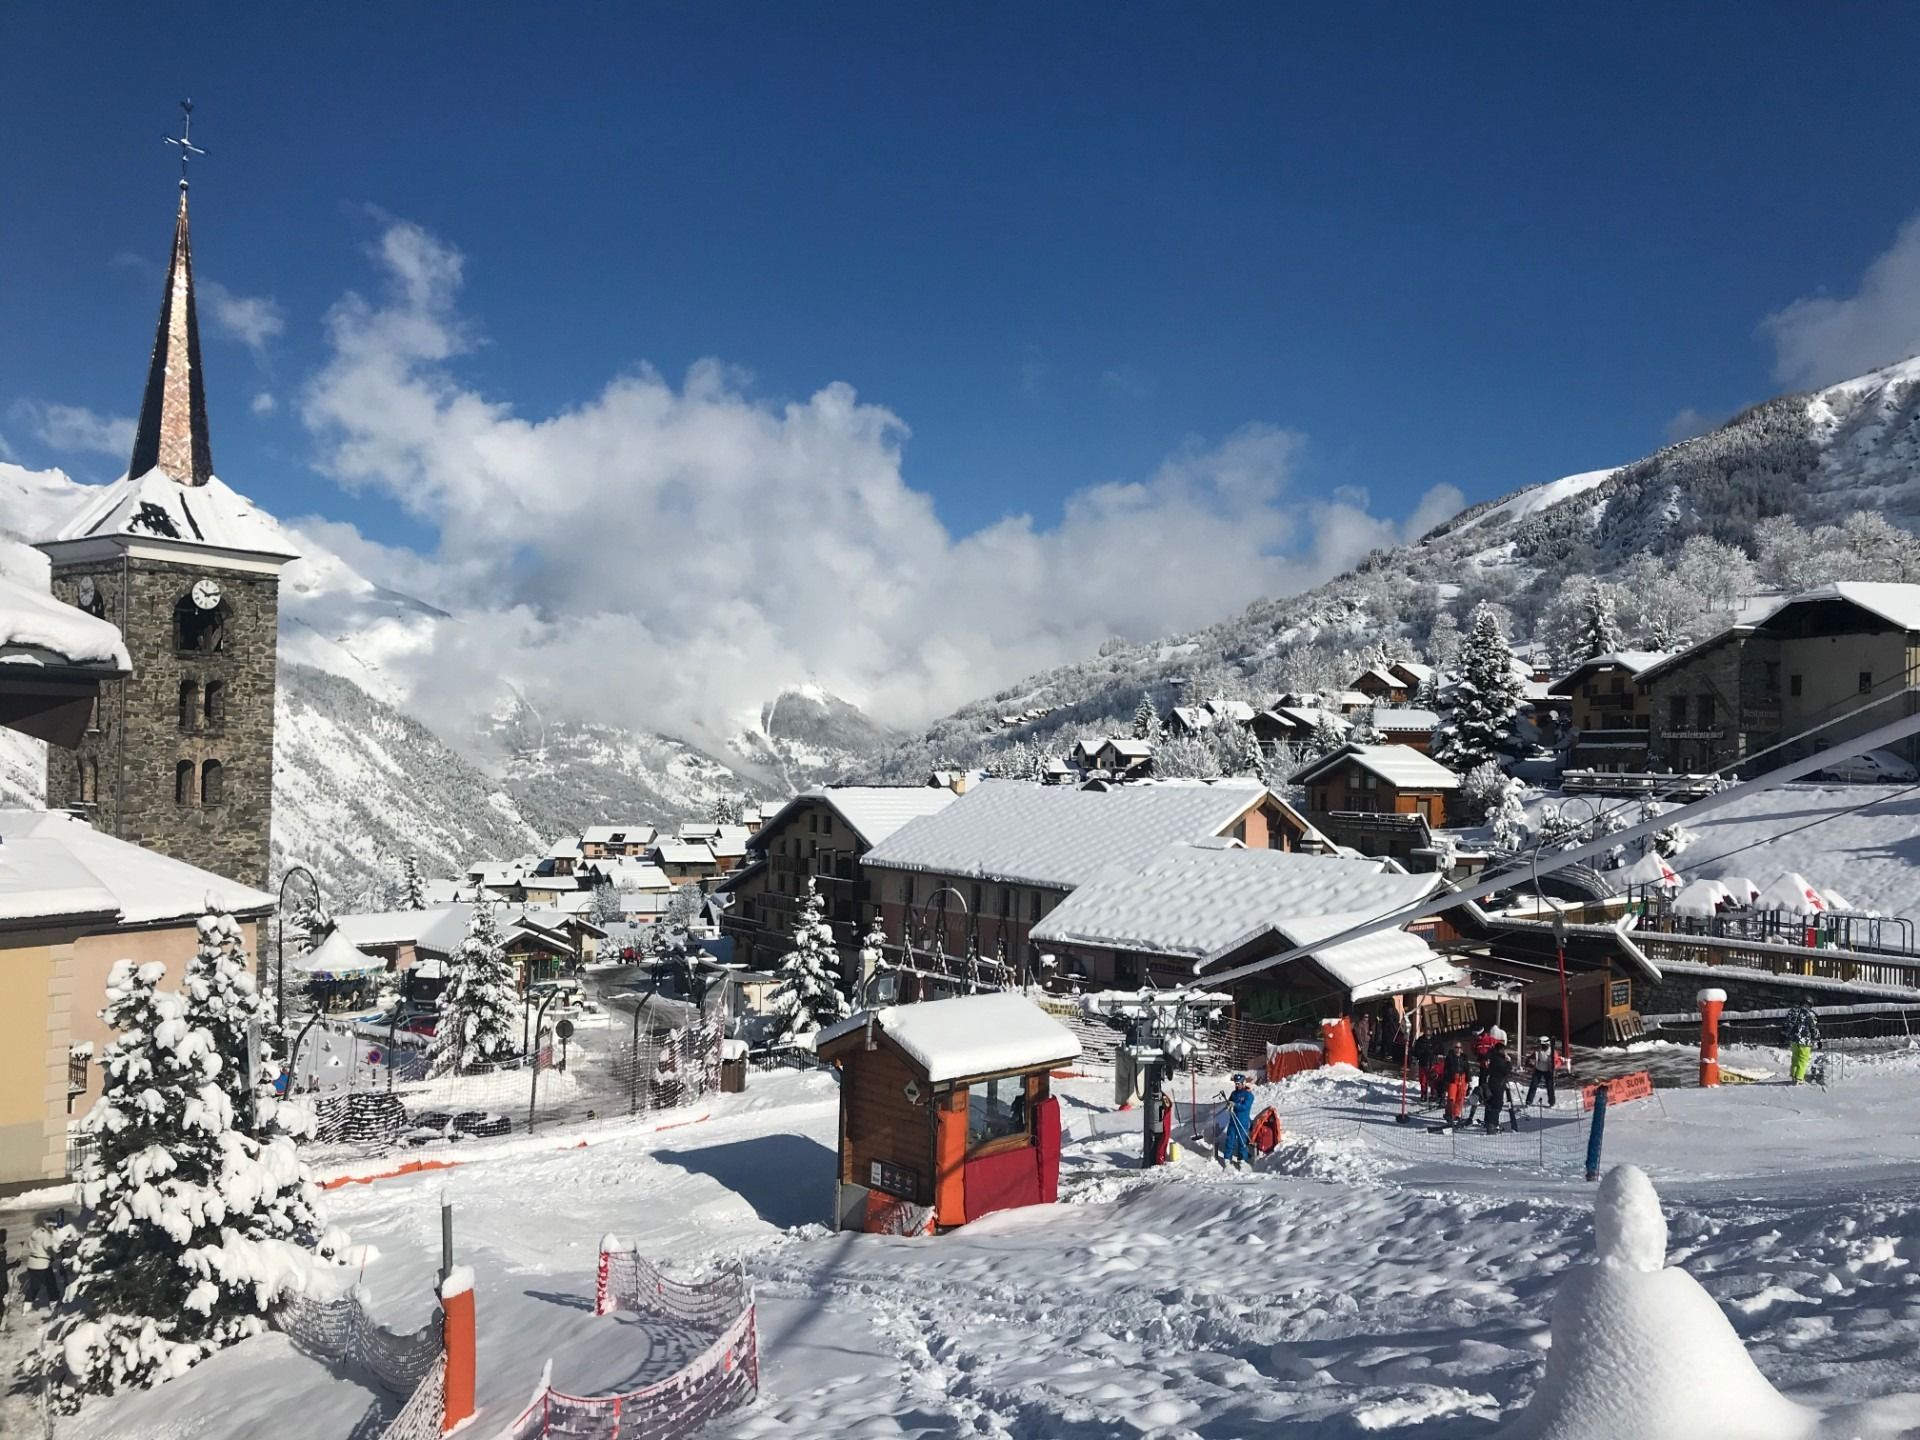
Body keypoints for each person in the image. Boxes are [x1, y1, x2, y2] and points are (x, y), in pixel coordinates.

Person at [1221, 1073, 1256, 1168]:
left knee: (1242, 1141)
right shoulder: (1234, 1093)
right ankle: (1227, 1159)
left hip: (1242, 1121)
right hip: (1233, 1121)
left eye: (1239, 1083)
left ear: (1243, 1083)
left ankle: (1242, 1160)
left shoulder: (1248, 1095)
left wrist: (1235, 1105)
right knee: (1230, 1140)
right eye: (1236, 1083)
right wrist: (1228, 1105)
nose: (1237, 1085)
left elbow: (1245, 1107)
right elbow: (1229, 1101)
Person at [1784, 997, 1821, 1084]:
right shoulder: (1808, 1014)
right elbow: (1813, 1028)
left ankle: (1793, 1075)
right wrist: (1818, 1039)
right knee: (1803, 1059)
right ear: (1809, 1004)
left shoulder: (1792, 1011)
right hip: (1805, 1040)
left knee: (1795, 1058)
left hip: (1793, 1039)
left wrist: (1783, 1035)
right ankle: (1799, 1078)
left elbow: (1786, 1024)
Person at [1482, 1040, 1515, 1133]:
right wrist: (1508, 1062)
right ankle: (1493, 1124)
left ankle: (1488, 1122)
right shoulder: (1499, 1059)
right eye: (1503, 1050)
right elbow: (1505, 1071)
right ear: (1500, 1050)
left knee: (1490, 1103)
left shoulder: (1492, 1057)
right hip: (1498, 1084)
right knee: (1497, 1104)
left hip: (1493, 1082)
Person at [24, 1221, 54, 1311]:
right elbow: (48, 1248)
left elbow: (28, 1245)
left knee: (34, 1285)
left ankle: (26, 1306)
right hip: (43, 1264)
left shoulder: (35, 1233)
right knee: (51, 1284)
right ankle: (54, 1304)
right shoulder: (46, 1235)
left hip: (32, 1263)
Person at [1442, 1040, 1471, 1126]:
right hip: (1453, 1079)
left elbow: (1467, 1069)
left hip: (1462, 1079)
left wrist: (1468, 1081)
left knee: (1460, 1098)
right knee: (1451, 1098)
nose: (1458, 1049)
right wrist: (1446, 1081)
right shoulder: (1450, 1057)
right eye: (1456, 1047)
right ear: (1454, 1048)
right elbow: (1446, 1070)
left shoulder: (1464, 1058)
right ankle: (1449, 1114)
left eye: (1459, 1047)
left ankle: (1456, 1114)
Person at [1525, 1036, 1558, 1108]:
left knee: (1550, 1087)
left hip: (1548, 1071)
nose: (1540, 1047)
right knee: (1533, 1085)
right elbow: (1531, 1057)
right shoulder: (1538, 1051)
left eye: (1542, 1045)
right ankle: (1529, 1101)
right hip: (1538, 1070)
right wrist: (1529, 1061)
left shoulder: (1552, 1052)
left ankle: (1552, 1102)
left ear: (1546, 1045)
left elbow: (1557, 1061)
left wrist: (1554, 1066)